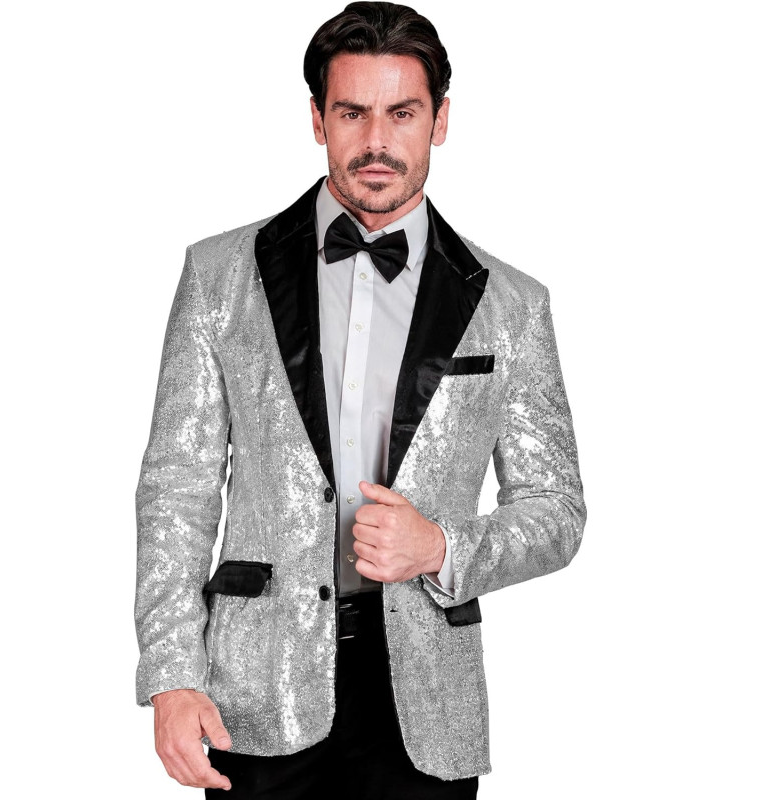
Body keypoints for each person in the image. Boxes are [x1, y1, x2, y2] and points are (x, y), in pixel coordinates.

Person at [134, 3, 586, 798]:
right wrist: (171, 673)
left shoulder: (513, 305)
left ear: (440, 120)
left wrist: (441, 547)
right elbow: (178, 488)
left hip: (427, 702)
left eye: (402, 113)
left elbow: (557, 510)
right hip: (255, 692)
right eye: (352, 112)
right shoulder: (219, 274)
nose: (377, 141)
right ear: (318, 119)